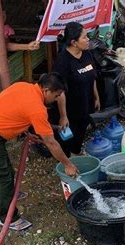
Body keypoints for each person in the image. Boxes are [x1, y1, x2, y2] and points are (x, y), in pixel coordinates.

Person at [0, 73, 79, 231]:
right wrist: (67, 164)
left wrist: (24, 130)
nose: (56, 100)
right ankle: (8, 218)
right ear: (46, 90)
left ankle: (9, 195)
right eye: (56, 96)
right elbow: (51, 143)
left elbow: (12, 109)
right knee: (1, 177)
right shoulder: (37, 109)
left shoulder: (23, 86)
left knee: (4, 170)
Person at [51, 22, 100, 157]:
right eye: (84, 37)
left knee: (80, 133)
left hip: (85, 104)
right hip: (70, 110)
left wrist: (96, 97)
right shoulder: (63, 62)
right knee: (67, 138)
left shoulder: (86, 54)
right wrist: (63, 116)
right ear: (74, 42)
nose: (88, 39)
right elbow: (59, 92)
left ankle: (76, 154)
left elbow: (92, 76)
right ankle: (67, 161)